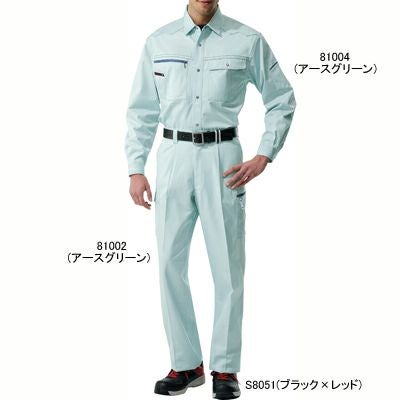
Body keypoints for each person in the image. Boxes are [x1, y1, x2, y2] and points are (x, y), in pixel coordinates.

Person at [125, 1, 296, 398]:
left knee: (228, 269)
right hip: (172, 156)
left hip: (224, 159)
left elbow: (282, 98)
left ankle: (225, 368)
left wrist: (265, 154)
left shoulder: (247, 40)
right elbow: (141, 111)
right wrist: (136, 167)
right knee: (168, 264)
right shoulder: (159, 41)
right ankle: (186, 364)